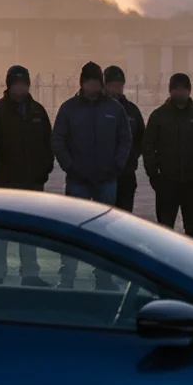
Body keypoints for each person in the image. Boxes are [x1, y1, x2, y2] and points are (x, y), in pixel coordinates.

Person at [51, 61, 131, 290]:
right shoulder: (69, 109)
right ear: (82, 83)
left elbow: (125, 139)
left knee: (105, 231)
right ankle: (68, 277)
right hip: (78, 180)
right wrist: (70, 166)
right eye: (89, 82)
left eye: (96, 82)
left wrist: (117, 165)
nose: (93, 87)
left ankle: (104, 277)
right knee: (73, 230)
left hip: (107, 179)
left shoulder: (114, 109)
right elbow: (58, 140)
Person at [0, 64, 54, 287]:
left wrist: (44, 170)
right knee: (0, 232)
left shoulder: (38, 111)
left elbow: (48, 143)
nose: (20, 88)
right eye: (16, 84)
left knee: (30, 231)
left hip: (32, 181)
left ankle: (30, 274)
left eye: (23, 84)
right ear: (8, 86)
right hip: (5, 182)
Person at [143, 73, 193, 239]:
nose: (180, 92)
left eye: (183, 89)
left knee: (192, 230)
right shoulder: (159, 116)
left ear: (189, 90)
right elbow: (148, 146)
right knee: (164, 230)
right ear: (170, 91)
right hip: (166, 182)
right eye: (176, 89)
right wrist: (153, 175)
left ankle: (191, 257)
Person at [104, 65, 146, 214]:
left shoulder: (132, 110)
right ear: (105, 85)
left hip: (126, 174)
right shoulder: (98, 108)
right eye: (113, 85)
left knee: (124, 217)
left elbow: (141, 137)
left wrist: (132, 155)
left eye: (119, 86)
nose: (117, 89)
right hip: (102, 174)